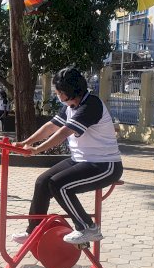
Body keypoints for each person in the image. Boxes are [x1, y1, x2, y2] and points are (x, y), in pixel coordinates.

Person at [12, 66, 123, 245]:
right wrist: (28, 142)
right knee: (42, 182)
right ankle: (33, 231)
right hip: (81, 160)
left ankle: (88, 228)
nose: (57, 95)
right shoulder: (70, 105)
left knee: (59, 185)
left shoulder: (91, 105)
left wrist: (38, 150)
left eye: (58, 92)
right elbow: (51, 127)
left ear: (69, 91)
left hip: (105, 165)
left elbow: (63, 132)